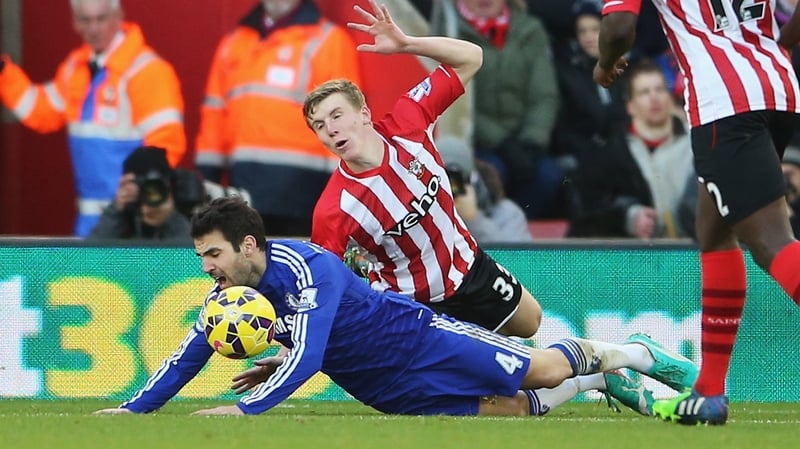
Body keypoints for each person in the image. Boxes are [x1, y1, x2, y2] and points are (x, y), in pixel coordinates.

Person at [94, 195, 699, 417]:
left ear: (247, 245)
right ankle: (598, 381)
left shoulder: (311, 267)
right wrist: (134, 410)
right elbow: (187, 356)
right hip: (379, 388)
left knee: (539, 368)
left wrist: (247, 407)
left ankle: (635, 354)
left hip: (419, 339)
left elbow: (305, 355)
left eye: (213, 254)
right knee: (511, 413)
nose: (208, 268)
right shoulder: (229, 299)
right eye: (203, 258)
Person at [594, 0, 800, 425]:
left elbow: (617, 26)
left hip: (724, 103)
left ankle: (709, 393)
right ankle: (708, 393)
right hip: (776, 86)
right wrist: (782, 43)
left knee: (772, 242)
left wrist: (603, 65)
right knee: (714, 229)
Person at [306, 0, 543, 339]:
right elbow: (321, 285)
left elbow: (472, 58)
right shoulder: (334, 208)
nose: (330, 129)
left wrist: (407, 44)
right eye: (319, 125)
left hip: (468, 268)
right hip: (412, 307)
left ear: (364, 114)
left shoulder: (408, 120)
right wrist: (291, 350)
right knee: (480, 388)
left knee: (531, 323)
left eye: (337, 116)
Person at [0, 0, 186, 237]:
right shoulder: (75, 69)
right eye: (86, 20)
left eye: (101, 19)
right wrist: (3, 73)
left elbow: (165, 146)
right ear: (75, 23)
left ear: (118, 16)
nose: (95, 28)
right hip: (91, 222)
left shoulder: (147, 71)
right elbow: (40, 111)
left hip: (135, 221)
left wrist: (145, 197)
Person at [194, 0, 361, 237]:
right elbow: (214, 116)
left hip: (304, 197)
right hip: (241, 194)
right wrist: (206, 181)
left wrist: (341, 195)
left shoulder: (329, 41)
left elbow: (343, 122)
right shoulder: (233, 43)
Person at [455, 0, 563, 220]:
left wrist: (532, 140)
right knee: (492, 176)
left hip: (525, 140)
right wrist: (502, 142)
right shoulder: (448, 30)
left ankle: (522, 237)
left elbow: (544, 94)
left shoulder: (530, 29)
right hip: (477, 143)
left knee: (549, 176)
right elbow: (457, 102)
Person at [569, 61, 695, 239]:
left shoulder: (697, 142)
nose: (654, 98)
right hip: (636, 257)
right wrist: (628, 216)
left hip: (694, 251)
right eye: (644, 92)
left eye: (659, 89)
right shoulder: (610, 151)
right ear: (630, 106)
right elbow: (590, 207)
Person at [436, 135, 534, 244]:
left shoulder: (507, 214)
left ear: (473, 179)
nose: (451, 188)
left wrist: (474, 220)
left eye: (456, 180)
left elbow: (515, 259)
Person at [87, 146, 191, 243]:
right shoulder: (122, 213)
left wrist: (170, 219)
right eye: (143, 185)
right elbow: (90, 256)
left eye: (156, 187)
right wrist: (116, 211)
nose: (150, 193)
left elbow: (194, 256)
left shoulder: (182, 209)